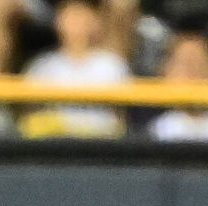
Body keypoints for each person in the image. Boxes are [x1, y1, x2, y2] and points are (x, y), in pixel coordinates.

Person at [19, 0, 138, 138]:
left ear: (96, 21)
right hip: (54, 146)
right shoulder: (42, 67)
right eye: (70, 16)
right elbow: (30, 116)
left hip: (102, 146)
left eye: (82, 16)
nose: (76, 24)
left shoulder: (112, 66)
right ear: (58, 21)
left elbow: (121, 118)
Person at [146, 28, 208, 142]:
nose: (192, 73)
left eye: (200, 64)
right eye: (184, 64)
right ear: (164, 71)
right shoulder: (151, 134)